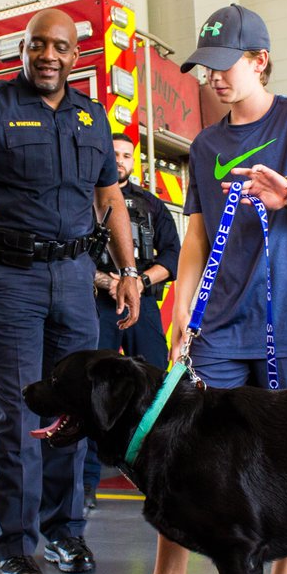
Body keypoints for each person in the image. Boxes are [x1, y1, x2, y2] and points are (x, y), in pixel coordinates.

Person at [90, 3, 287, 574]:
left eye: (225, 65)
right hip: (219, 326)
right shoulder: (208, 146)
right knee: (181, 452)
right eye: (205, 68)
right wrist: (181, 309)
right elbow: (196, 233)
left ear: (259, 61)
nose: (213, 78)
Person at [0, 8, 141, 574]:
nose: (48, 56)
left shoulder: (92, 116)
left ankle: (65, 531)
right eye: (38, 45)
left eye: (60, 47)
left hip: (74, 278)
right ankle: (17, 547)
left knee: (75, 410)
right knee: (16, 415)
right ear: (23, 50)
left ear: (75, 55)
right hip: (10, 279)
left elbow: (109, 196)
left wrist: (128, 270)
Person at [84, 132, 181, 511]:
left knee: (157, 387)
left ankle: (161, 476)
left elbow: (173, 255)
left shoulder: (151, 204)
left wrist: (138, 282)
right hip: (98, 304)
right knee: (94, 390)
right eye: (114, 154)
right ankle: (87, 482)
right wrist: (106, 281)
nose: (120, 160)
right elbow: (74, 253)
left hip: (144, 303)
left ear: (134, 161)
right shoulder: (85, 200)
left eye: (127, 155)